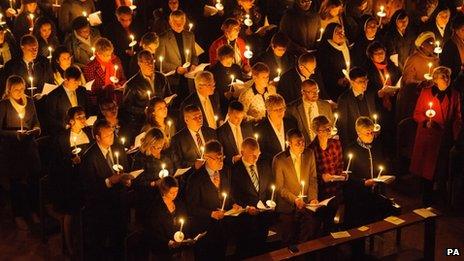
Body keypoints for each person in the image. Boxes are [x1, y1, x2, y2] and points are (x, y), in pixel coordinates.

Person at [79, 119, 131, 260]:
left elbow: (125, 169)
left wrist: (126, 180)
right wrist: (109, 181)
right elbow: (88, 187)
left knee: (120, 239)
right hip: (101, 206)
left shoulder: (118, 148)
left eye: (112, 133)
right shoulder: (89, 157)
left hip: (120, 201)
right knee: (102, 245)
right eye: (107, 135)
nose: (111, 137)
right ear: (97, 137)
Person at [410, 66, 461, 206]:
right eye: (442, 77)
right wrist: (426, 121)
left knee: (442, 169)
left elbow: (457, 117)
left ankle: (441, 199)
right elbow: (417, 113)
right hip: (429, 138)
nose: (445, 79)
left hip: (445, 138)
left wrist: (456, 137)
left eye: (447, 77)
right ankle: (426, 199)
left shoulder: (455, 94)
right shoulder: (426, 92)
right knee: (427, 171)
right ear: (435, 79)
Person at [185, 140, 241, 260]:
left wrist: (234, 204)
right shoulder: (195, 179)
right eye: (217, 158)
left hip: (222, 229)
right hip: (204, 230)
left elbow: (228, 193)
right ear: (206, 157)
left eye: (222, 157)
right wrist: (211, 214)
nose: (221, 162)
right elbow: (191, 207)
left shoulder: (226, 171)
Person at [49, 106, 93, 255]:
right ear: (71, 121)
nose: (83, 119)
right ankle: (69, 245)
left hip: (88, 178)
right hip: (69, 181)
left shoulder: (90, 134)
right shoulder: (62, 138)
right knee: (71, 210)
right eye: (79, 117)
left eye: (84, 116)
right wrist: (71, 161)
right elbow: (55, 164)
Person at [0, 75, 41, 230]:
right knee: (17, 183)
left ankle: (33, 211)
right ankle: (18, 215)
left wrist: (37, 129)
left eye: (22, 89)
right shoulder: (4, 105)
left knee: (33, 181)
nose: (20, 92)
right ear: (9, 90)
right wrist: (15, 134)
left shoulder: (29, 101)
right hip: (13, 151)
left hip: (30, 148)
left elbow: (36, 121)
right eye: (16, 89)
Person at [344, 117, 395, 228]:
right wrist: (363, 183)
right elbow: (347, 177)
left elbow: (382, 165)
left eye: (372, 132)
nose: (371, 135)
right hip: (358, 196)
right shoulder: (351, 149)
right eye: (367, 133)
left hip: (375, 193)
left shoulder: (376, 146)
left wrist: (382, 177)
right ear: (358, 133)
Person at [274, 128, 320, 245]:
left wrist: (313, 198)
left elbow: (313, 179)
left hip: (305, 204)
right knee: (289, 236)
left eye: (303, 141)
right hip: (287, 206)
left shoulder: (309, 154)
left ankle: (304, 253)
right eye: (297, 143)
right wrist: (295, 199)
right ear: (289, 144)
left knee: (311, 227)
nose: (301, 145)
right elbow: (279, 188)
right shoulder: (280, 160)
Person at [231, 137, 273, 258]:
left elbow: (270, 186)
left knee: (262, 252)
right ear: (242, 153)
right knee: (246, 252)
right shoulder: (234, 170)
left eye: (257, 154)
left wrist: (270, 202)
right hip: (245, 221)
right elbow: (233, 194)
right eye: (251, 155)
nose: (255, 158)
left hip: (263, 218)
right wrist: (246, 207)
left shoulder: (264, 164)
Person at [121, 50, 171, 139]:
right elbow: (127, 107)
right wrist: (145, 111)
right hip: (143, 123)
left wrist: (166, 103)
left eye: (152, 61)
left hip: (161, 121)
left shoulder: (162, 78)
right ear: (139, 63)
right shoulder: (132, 84)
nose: (150, 64)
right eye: (147, 62)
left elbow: (168, 95)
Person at [309, 115, 344, 233]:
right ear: (317, 131)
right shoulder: (311, 150)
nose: (330, 131)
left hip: (336, 190)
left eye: (330, 128)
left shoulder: (336, 143)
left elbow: (340, 164)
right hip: (322, 193)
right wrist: (322, 177)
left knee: (335, 223)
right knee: (323, 223)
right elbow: (310, 174)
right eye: (326, 129)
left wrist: (341, 174)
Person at [155, 10, 198, 106]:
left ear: (185, 21)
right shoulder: (163, 38)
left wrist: (194, 64)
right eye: (175, 22)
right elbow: (159, 61)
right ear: (170, 22)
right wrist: (176, 69)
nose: (179, 25)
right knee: (176, 106)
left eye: (181, 22)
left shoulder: (190, 35)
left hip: (189, 79)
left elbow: (194, 55)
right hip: (174, 81)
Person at [132, 128, 174, 222]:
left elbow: (171, 172)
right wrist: (154, 183)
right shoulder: (140, 158)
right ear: (148, 144)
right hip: (148, 201)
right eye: (154, 147)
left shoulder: (165, 155)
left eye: (160, 147)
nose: (157, 150)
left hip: (165, 199)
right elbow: (136, 182)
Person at [397, 31, 439, 122]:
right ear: (422, 45)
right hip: (415, 99)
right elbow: (407, 80)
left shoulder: (436, 60)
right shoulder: (413, 59)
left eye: (434, 42)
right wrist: (421, 83)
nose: (433, 45)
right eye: (430, 43)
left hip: (430, 98)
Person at [143, 176, 188, 259]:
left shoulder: (179, 203)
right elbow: (153, 232)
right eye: (172, 192)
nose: (175, 195)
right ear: (164, 191)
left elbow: (185, 222)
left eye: (176, 191)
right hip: (162, 250)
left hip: (178, 248)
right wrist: (169, 242)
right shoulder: (156, 208)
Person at [337, 67, 378, 147]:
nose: (364, 84)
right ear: (352, 82)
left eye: (366, 81)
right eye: (360, 82)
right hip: (355, 141)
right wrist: (347, 146)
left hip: (371, 138)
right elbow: (343, 126)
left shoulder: (370, 94)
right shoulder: (344, 99)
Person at [44, 66, 90, 135]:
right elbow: (50, 118)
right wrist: (66, 125)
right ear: (66, 80)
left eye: (78, 82)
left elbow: (88, 108)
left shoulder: (82, 90)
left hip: (83, 129)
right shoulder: (54, 96)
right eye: (75, 82)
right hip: (64, 132)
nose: (77, 85)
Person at [170, 105, 217, 170]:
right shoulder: (178, 139)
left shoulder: (211, 132)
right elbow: (177, 163)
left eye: (200, 117)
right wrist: (194, 165)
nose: (199, 120)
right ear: (186, 120)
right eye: (195, 118)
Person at [82, 37, 126, 107]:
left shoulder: (115, 60)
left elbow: (123, 79)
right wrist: (105, 88)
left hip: (117, 99)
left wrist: (119, 85)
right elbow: (91, 90)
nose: (109, 57)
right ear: (98, 54)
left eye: (110, 54)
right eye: (106, 55)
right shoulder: (90, 67)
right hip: (101, 102)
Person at [205, 44, 245, 116]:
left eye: (231, 58)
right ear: (220, 59)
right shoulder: (214, 70)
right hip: (221, 103)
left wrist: (236, 91)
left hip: (236, 100)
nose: (229, 62)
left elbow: (241, 82)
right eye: (226, 60)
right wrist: (223, 94)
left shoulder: (236, 68)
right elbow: (213, 88)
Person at [255, 94, 297, 162]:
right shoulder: (261, 128)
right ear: (268, 111)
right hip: (272, 165)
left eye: (281, 108)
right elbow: (262, 152)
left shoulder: (291, 123)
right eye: (276, 110)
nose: (280, 112)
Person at [317, 23, 352, 101]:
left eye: (342, 32)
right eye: (337, 32)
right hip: (332, 87)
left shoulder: (345, 45)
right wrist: (337, 80)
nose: (341, 34)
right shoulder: (325, 49)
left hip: (347, 83)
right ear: (330, 34)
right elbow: (324, 70)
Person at [216, 101, 253, 166]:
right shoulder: (220, 132)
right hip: (233, 168)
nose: (239, 121)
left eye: (241, 117)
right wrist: (233, 159)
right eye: (236, 117)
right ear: (229, 114)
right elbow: (219, 156)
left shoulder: (247, 127)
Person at [440, 14, 464, 80]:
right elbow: (446, 70)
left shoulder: (462, 41)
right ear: (456, 31)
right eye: (463, 30)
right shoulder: (449, 46)